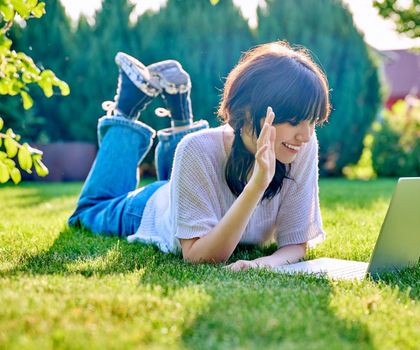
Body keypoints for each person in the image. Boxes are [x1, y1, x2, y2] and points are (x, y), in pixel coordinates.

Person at [68, 41, 331, 271]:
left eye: (313, 121)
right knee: (89, 211)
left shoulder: (299, 145)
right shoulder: (197, 149)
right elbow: (197, 256)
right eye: (295, 121)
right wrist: (257, 185)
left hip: (195, 191)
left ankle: (178, 104)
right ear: (249, 112)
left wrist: (261, 264)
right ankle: (126, 108)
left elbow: (295, 244)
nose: (306, 135)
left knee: (195, 153)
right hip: (150, 209)